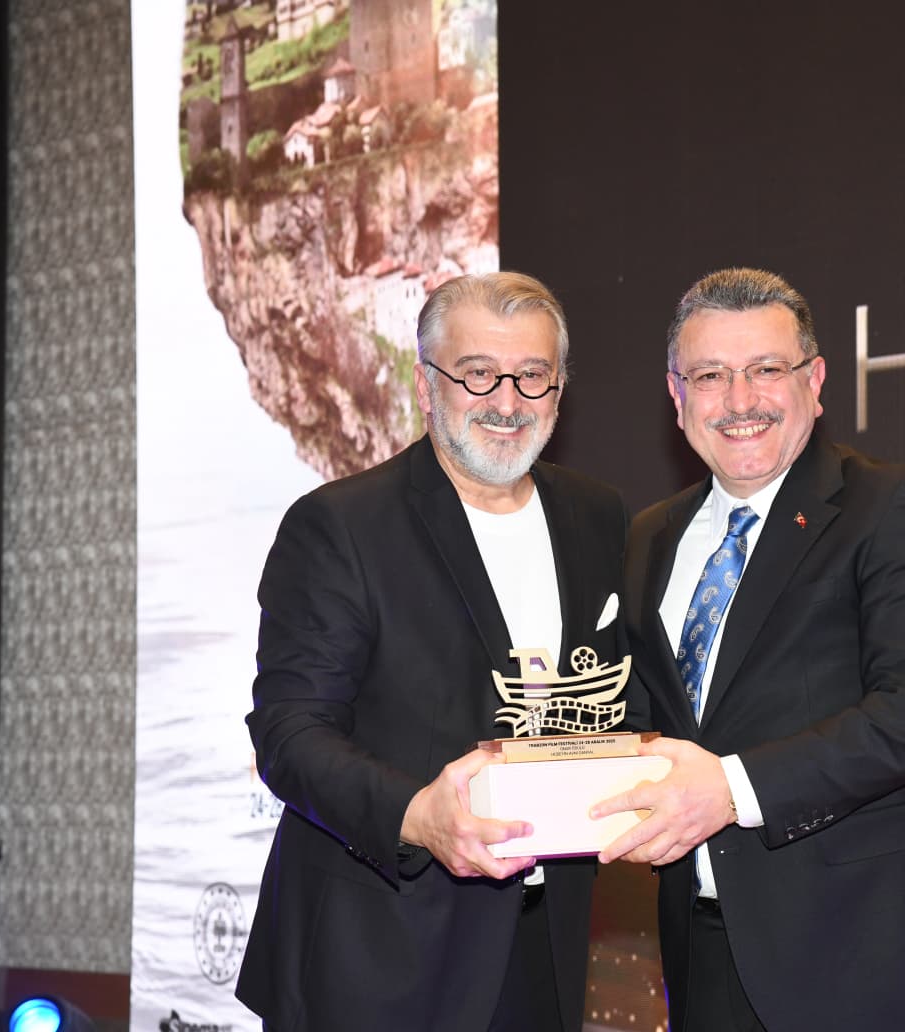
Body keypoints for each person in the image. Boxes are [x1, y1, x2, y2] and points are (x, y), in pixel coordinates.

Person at [592, 268, 905, 1032]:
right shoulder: (649, 536)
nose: (740, 400)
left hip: (864, 958)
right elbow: (644, 723)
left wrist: (730, 789)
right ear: (676, 397)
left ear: (815, 380)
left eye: (766, 369)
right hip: (702, 954)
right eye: (710, 376)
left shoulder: (896, 507)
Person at [236, 272, 636, 1031]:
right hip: (377, 957)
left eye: (533, 375)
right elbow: (288, 733)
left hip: (544, 948)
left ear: (559, 389)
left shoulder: (599, 517)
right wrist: (418, 815)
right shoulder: (340, 526)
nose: (508, 401)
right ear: (426, 386)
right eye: (478, 373)